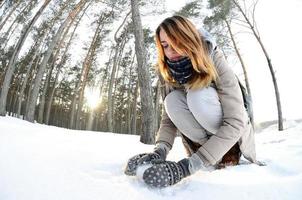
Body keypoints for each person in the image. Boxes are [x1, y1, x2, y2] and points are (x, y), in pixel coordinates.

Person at [124, 15, 258, 188]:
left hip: (232, 139)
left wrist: (187, 167)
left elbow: (235, 122)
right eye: (165, 45)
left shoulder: (214, 59)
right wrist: (160, 150)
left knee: (197, 95)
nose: (171, 51)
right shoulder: (169, 70)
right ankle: (208, 155)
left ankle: (227, 156)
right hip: (201, 142)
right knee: (171, 101)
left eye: (176, 42)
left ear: (189, 39)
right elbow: (169, 118)